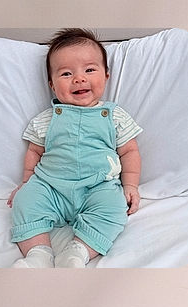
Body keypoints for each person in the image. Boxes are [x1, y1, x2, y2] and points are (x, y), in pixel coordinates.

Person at [8, 28, 142, 268]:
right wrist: (27, 181)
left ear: (106, 76)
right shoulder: (46, 119)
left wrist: (130, 184)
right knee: (25, 201)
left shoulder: (114, 116)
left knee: (114, 208)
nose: (79, 78)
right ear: (52, 84)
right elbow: (34, 151)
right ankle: (38, 253)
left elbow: (130, 151)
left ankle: (79, 251)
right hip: (50, 186)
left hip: (98, 186)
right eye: (66, 73)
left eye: (89, 70)